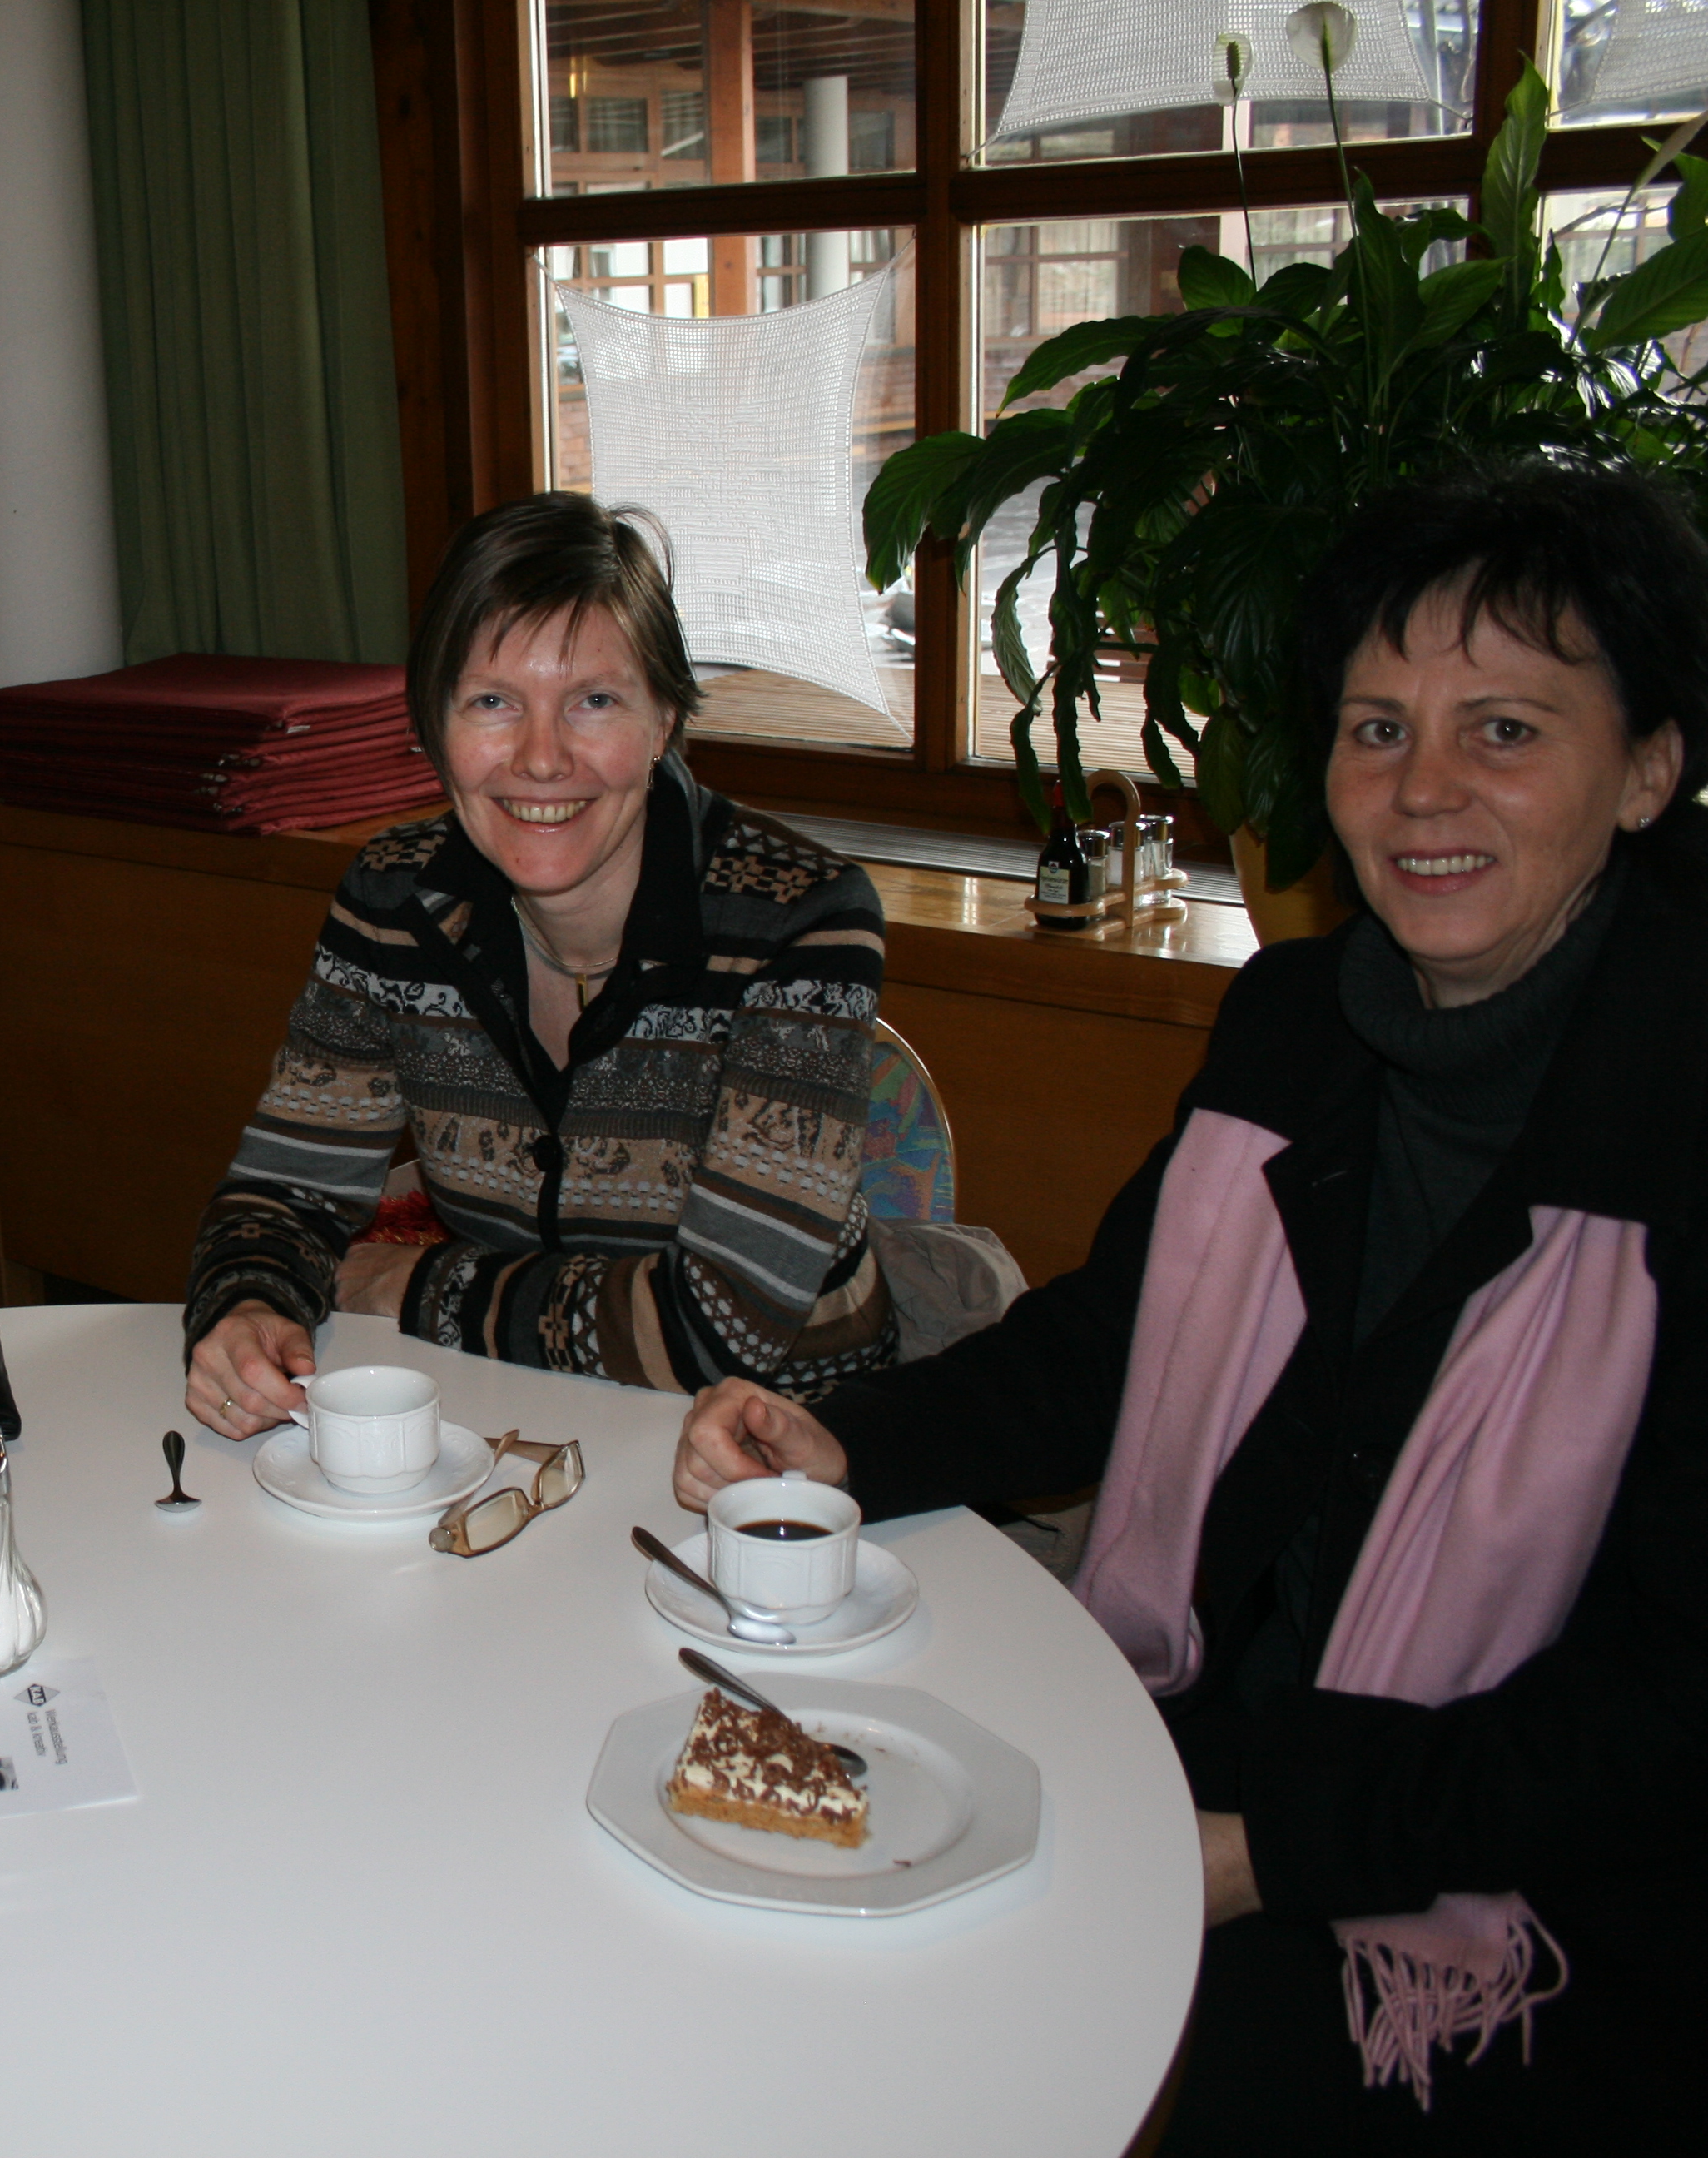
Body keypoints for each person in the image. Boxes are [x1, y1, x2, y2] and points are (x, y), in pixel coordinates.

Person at [673, 461, 1708, 2143]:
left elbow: (1664, 1707)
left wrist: (1263, 1853)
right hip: (1213, 1747)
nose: (1423, 790)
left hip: (1534, 1912)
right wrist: (844, 1441)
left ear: (1649, 767)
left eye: (1505, 730)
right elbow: (1110, 1342)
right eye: (1377, 729)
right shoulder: (1295, 1024)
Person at [183, 492, 896, 1437]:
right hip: (516, 1413)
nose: (542, 758)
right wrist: (249, 1304)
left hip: (788, 1456)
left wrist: (407, 1282)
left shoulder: (803, 921)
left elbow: (716, 1331)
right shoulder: (394, 900)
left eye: (594, 701)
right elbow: (287, 1189)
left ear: (664, 720)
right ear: (434, 727)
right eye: (492, 703)